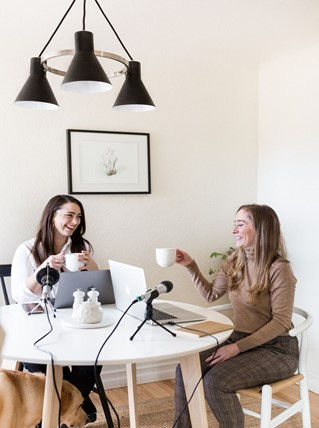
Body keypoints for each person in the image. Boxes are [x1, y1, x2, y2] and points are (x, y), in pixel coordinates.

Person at [174, 204, 299, 428]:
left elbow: (281, 322)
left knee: (216, 382)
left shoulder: (279, 268)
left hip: (276, 349)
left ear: (261, 229)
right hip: (239, 340)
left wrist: (236, 348)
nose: (234, 230)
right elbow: (211, 294)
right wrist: (191, 266)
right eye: (235, 224)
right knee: (186, 368)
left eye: (241, 224)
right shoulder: (235, 260)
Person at [11, 194, 100, 424]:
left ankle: (66, 405)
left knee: (96, 354)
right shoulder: (27, 249)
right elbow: (19, 295)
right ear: (52, 217)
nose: (75, 221)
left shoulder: (81, 247)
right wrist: (44, 268)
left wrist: (92, 266)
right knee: (40, 362)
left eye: (78, 216)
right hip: (37, 325)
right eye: (69, 215)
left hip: (73, 321)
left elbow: (95, 287)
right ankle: (73, 404)